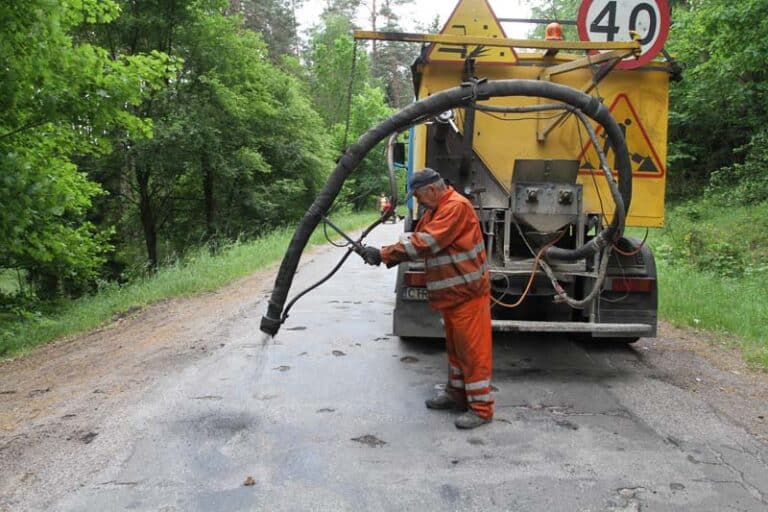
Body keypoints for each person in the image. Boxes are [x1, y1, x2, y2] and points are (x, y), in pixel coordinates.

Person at [360, 168, 493, 429]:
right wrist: (381, 253)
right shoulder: (437, 210)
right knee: (457, 351)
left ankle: (481, 409)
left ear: (432, 189)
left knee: (473, 353)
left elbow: (425, 242)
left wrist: (384, 255)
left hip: (468, 295)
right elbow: (415, 239)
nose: (418, 201)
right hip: (455, 295)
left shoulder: (455, 207)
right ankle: (456, 395)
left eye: (419, 196)